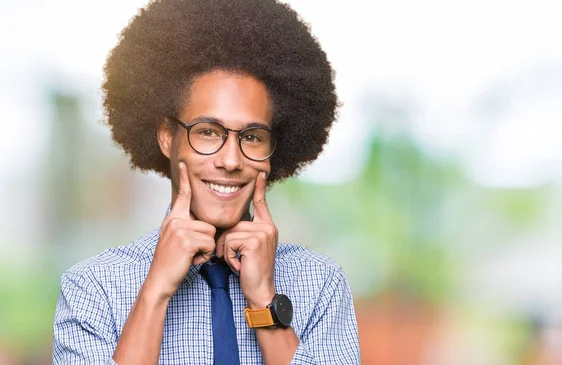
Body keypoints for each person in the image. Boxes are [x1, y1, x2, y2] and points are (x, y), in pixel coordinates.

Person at [52, 0, 360, 364]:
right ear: (168, 137)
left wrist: (263, 298)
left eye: (252, 137)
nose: (231, 160)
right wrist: (156, 290)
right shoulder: (94, 288)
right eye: (208, 132)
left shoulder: (320, 284)